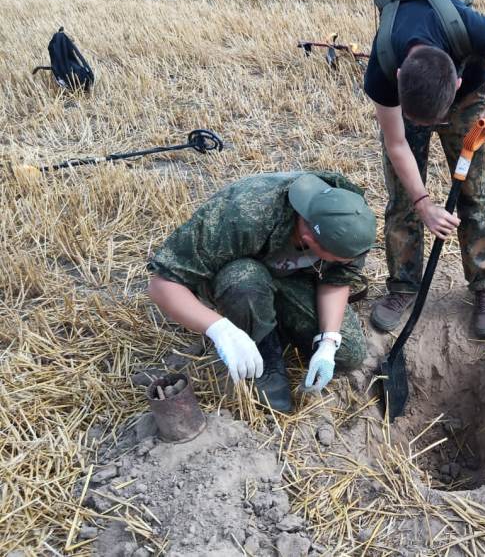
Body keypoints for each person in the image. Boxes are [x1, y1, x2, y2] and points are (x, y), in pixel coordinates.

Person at [363, 0, 485, 340]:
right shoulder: (383, 69)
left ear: (455, 82)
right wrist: (424, 203)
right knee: (402, 197)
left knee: (474, 191)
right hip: (412, 98)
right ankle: (403, 286)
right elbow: (397, 142)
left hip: (468, 103)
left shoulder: (469, 28)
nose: (427, 129)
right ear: (400, 77)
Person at [147, 171, 376, 412]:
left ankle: (274, 320)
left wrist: (328, 343)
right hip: (242, 281)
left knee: (348, 353)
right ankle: (265, 353)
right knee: (243, 280)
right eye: (339, 259)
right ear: (309, 238)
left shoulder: (350, 220)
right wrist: (221, 330)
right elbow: (162, 285)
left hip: (291, 280)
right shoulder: (244, 214)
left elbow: (337, 278)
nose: (349, 262)